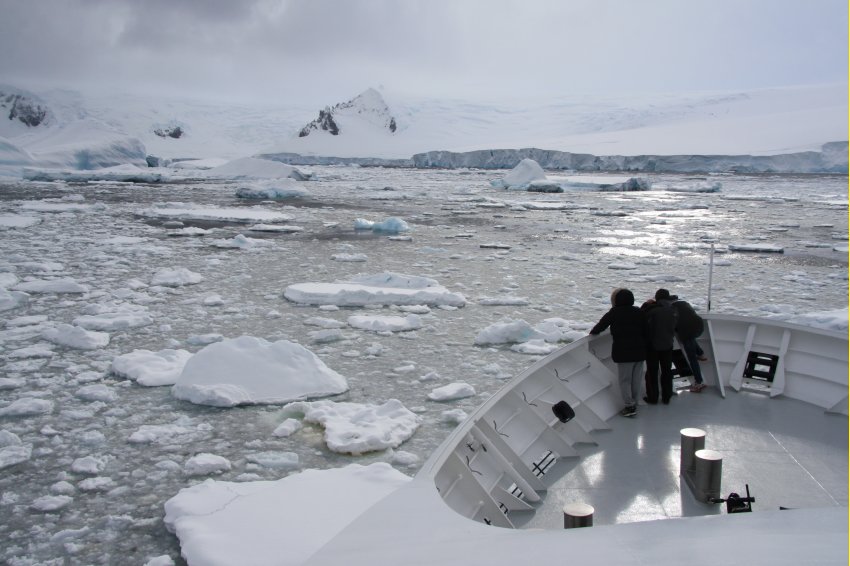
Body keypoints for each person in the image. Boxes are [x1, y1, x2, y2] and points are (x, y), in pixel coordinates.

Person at [589, 288, 647, 417]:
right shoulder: (639, 312)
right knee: (636, 379)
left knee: (625, 380)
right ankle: (635, 402)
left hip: (624, 352)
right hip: (640, 351)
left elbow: (601, 325)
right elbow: (646, 330)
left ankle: (629, 406)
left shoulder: (614, 312)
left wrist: (593, 332)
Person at [641, 289, 678, 404]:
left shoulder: (653, 310)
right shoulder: (673, 310)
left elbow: (641, 316)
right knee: (667, 371)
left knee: (652, 371)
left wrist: (647, 304)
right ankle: (667, 396)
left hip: (653, 346)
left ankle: (653, 397)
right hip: (668, 344)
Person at [668, 293, 708, 392]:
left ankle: (699, 382)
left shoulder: (671, 309)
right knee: (692, 338)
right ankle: (701, 354)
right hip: (698, 327)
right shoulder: (685, 304)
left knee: (692, 359)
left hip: (686, 331)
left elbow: (673, 323)